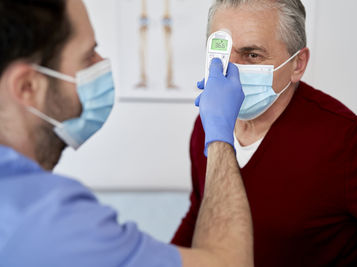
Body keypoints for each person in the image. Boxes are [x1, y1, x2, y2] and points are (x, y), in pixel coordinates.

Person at [0, 0, 254, 266]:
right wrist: (219, 137)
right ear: (28, 86)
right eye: (88, 55)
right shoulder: (46, 222)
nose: (102, 64)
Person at [171, 0, 357, 266]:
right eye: (220, 54)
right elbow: (199, 211)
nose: (226, 73)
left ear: (298, 64)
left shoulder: (347, 143)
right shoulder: (208, 123)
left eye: (252, 55)